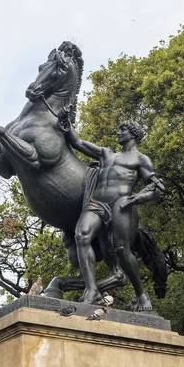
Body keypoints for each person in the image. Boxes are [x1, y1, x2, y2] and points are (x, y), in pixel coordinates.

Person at [66, 120, 164, 309]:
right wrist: (65, 122)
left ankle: (141, 294)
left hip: (121, 203)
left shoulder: (141, 159)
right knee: (81, 235)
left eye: (123, 129)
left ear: (133, 134)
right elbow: (78, 142)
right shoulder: (106, 154)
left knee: (121, 249)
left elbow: (154, 189)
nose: (118, 132)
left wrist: (136, 199)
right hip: (97, 202)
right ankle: (91, 289)